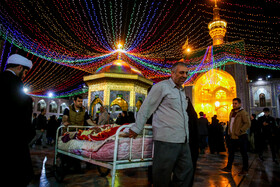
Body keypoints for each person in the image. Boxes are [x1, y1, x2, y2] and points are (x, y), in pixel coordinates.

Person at [129, 62, 194, 187]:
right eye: (181, 72)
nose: (185, 75)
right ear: (172, 73)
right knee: (162, 175)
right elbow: (147, 107)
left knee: (186, 171)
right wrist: (137, 128)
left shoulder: (181, 91)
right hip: (166, 139)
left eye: (186, 73)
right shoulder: (161, 87)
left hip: (183, 139)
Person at [0, 54, 35, 186]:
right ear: (20, 67)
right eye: (25, 72)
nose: (25, 75)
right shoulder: (15, 84)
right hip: (13, 140)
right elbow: (21, 112)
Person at [221, 98, 251, 175]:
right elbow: (231, 123)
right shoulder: (232, 112)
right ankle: (228, 167)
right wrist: (229, 133)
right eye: (233, 103)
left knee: (243, 153)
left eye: (236, 103)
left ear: (240, 104)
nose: (234, 105)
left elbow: (247, 123)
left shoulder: (243, 113)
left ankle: (245, 169)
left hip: (241, 136)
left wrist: (240, 131)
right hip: (232, 137)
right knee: (231, 153)